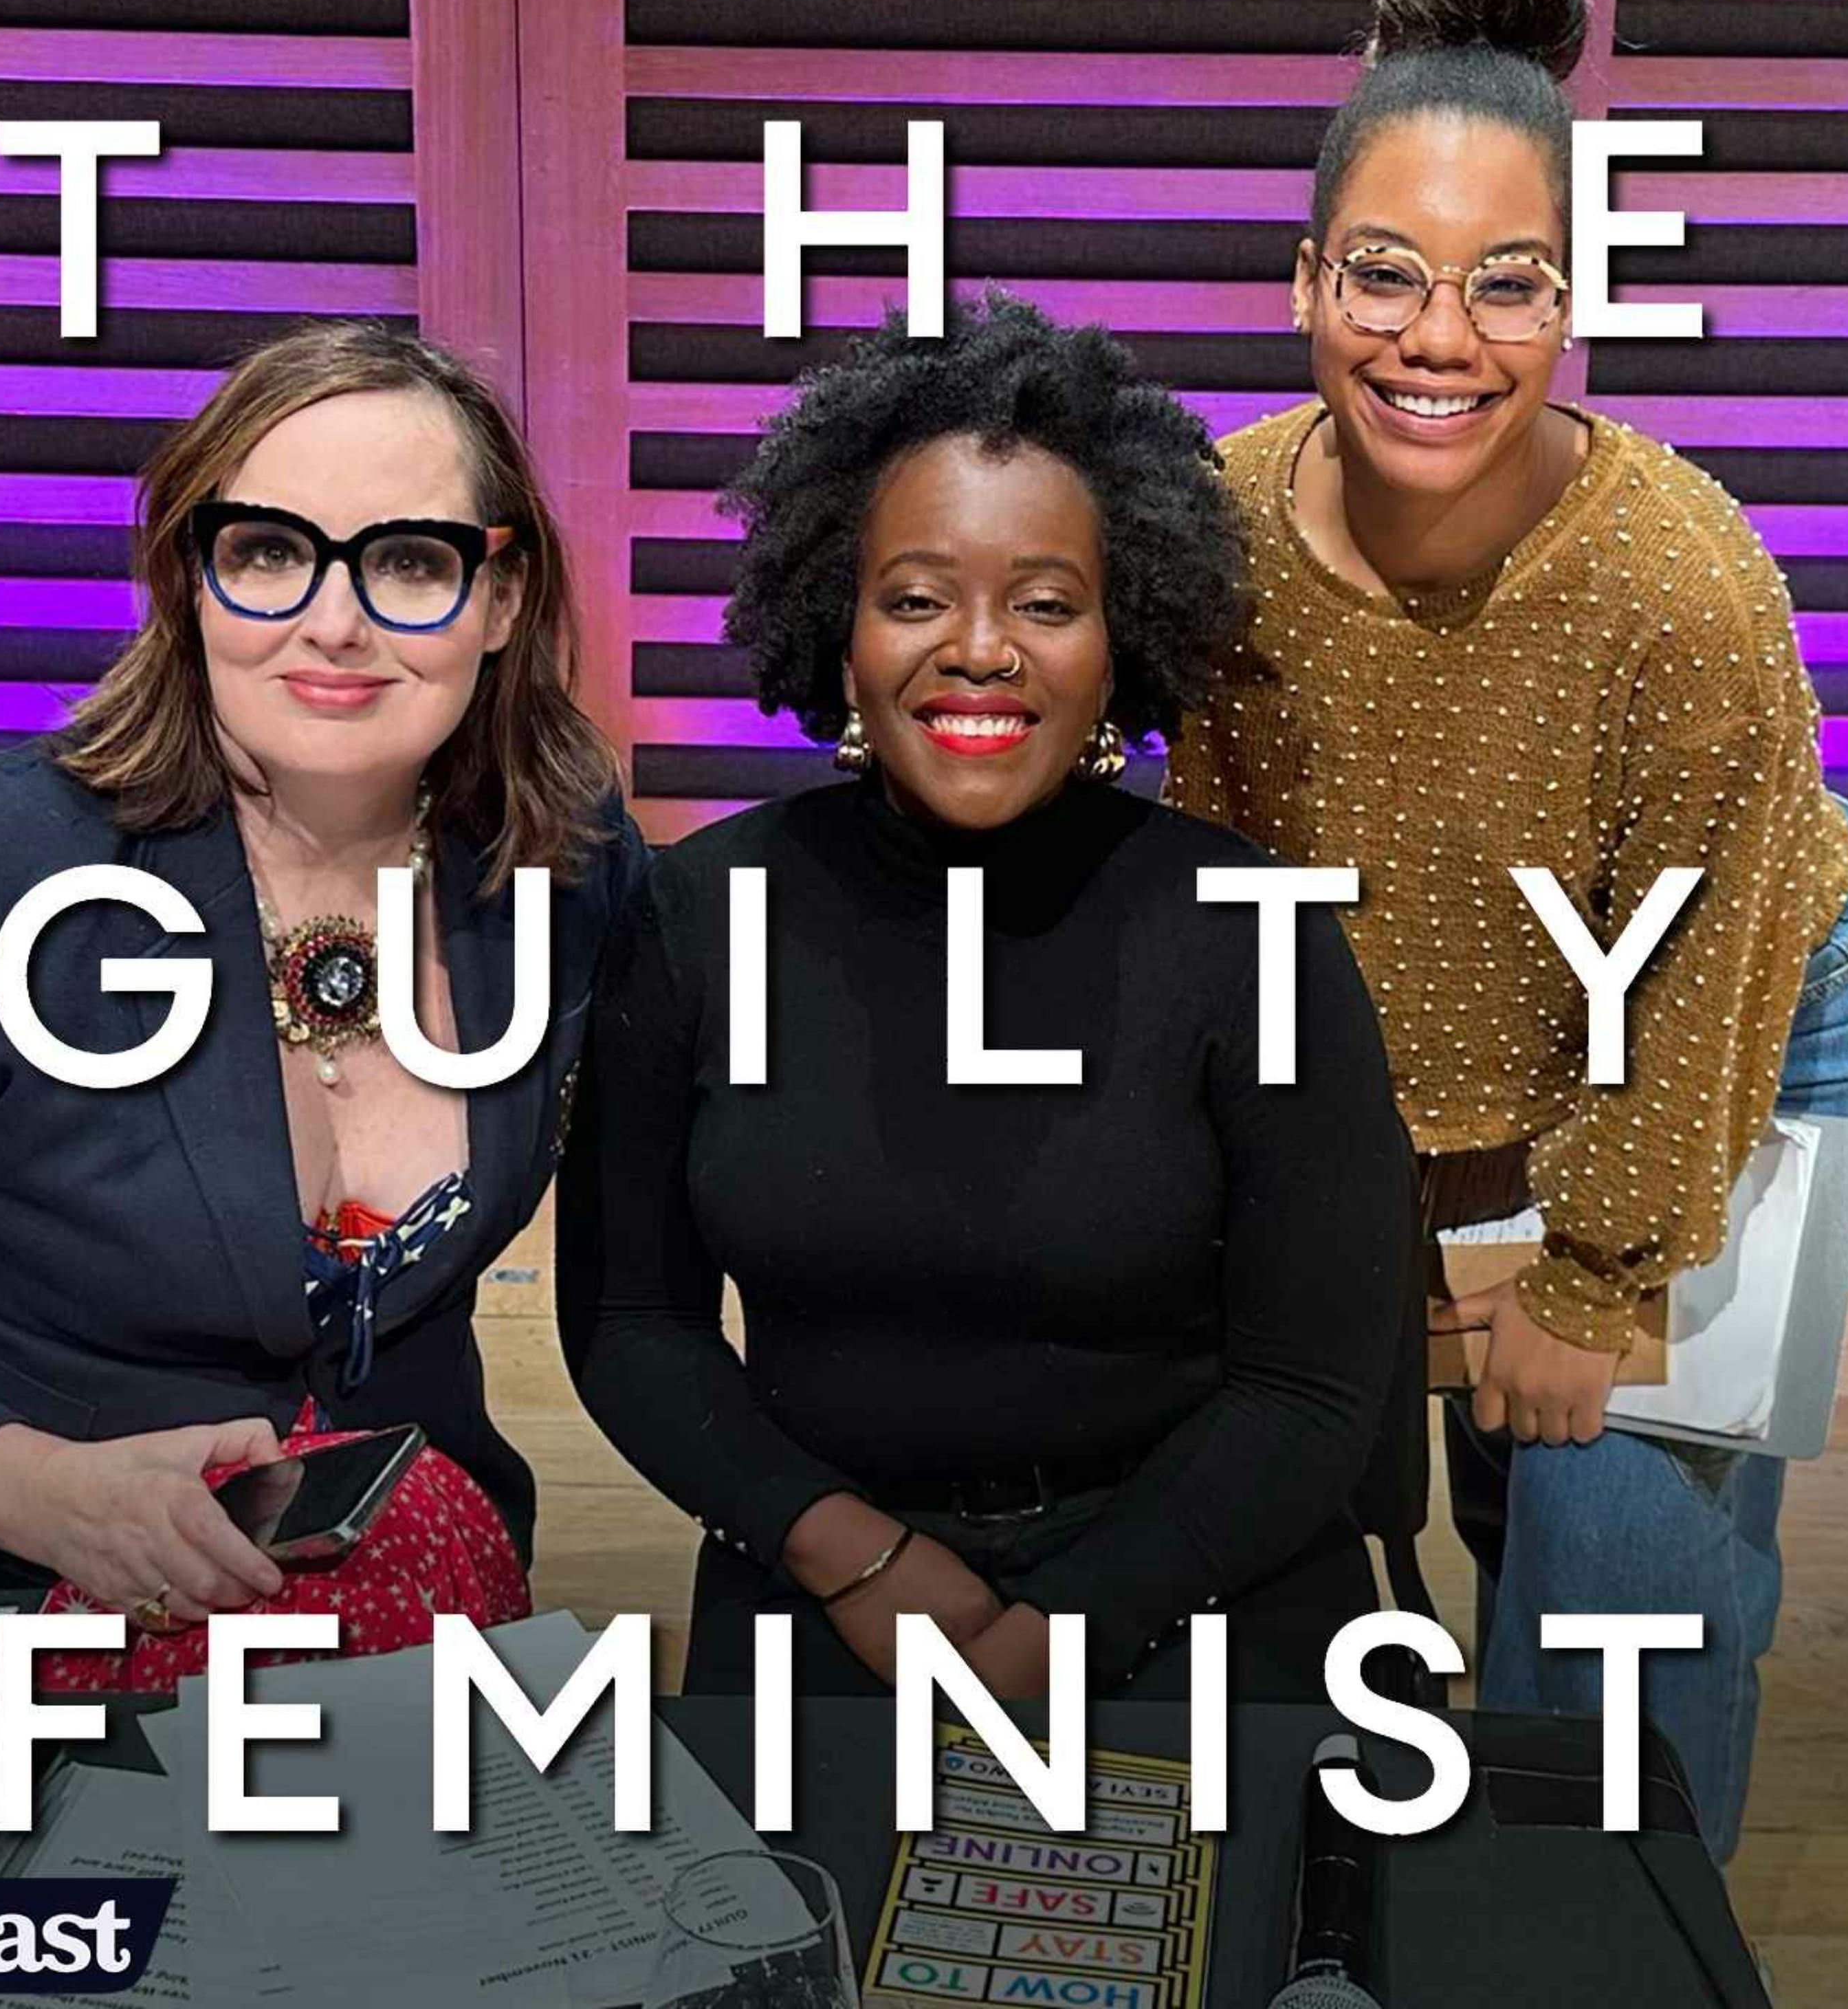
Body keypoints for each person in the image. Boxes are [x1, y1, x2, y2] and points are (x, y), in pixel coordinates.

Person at [1165, 0, 1848, 1861]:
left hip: (1747, 1006)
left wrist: (1594, 1279)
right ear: (1305, 281)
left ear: (1572, 298)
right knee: (1445, 1472)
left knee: (1610, 1575)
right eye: (1385, 273)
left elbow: (1701, 970)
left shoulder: (1682, 582)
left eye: (1508, 281)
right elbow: (1222, 886)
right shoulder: (1215, 532)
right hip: (1445, 1024)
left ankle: (1615, 1944)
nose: (1440, 337)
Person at [558, 294, 1416, 1701]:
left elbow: (1312, 1391)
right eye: (915, 598)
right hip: (826, 1582)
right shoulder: (695, 914)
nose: (979, 648)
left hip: (1198, 1584)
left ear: (1120, 636)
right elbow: (633, 1327)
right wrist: (849, 1555)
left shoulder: (1252, 930)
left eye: (1046, 603)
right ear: (840, 630)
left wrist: (1066, 1629)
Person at [0, 322, 643, 1683]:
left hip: (404, 1636)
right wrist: (31, 1487)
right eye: (268, 552)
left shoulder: (569, 871)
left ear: (500, 599)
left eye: (410, 561)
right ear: (189, 578)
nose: (336, 622)